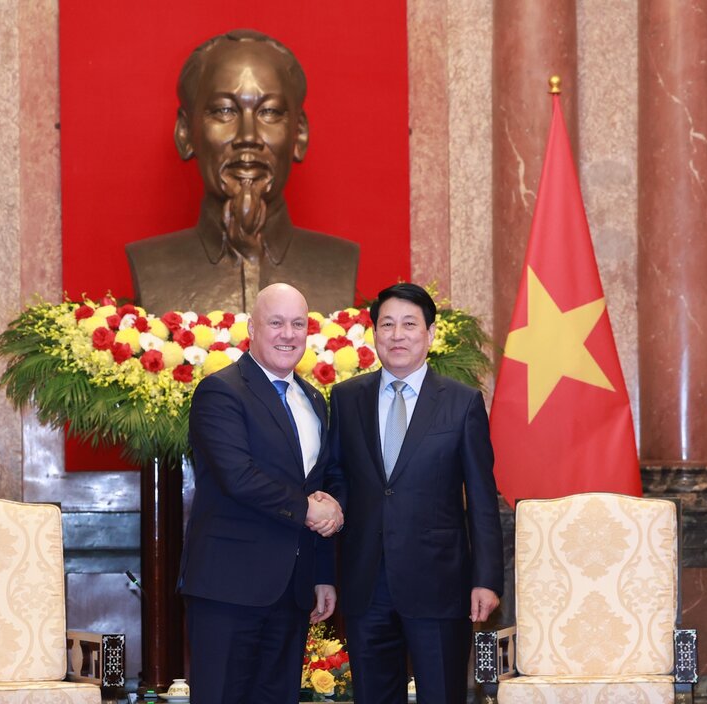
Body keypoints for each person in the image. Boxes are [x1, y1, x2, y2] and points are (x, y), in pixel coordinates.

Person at [326, 282, 504, 704]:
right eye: (387, 324)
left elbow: (481, 497)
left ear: (430, 334)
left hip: (439, 583)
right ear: (373, 334)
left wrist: (486, 578)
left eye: (409, 324)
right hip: (366, 583)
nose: (397, 334)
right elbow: (337, 479)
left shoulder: (462, 403)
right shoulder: (347, 398)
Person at [179, 282, 344, 703]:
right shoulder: (221, 391)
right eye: (276, 323)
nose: (287, 334)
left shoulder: (312, 399)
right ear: (252, 327)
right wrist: (307, 510)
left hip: (291, 592)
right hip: (229, 588)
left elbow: (318, 486)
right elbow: (239, 475)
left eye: (297, 324)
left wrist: (323, 573)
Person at [126, 29, 359, 314]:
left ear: (298, 134)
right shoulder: (151, 264)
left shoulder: (338, 263)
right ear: (186, 132)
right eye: (224, 111)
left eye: (269, 112)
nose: (248, 136)